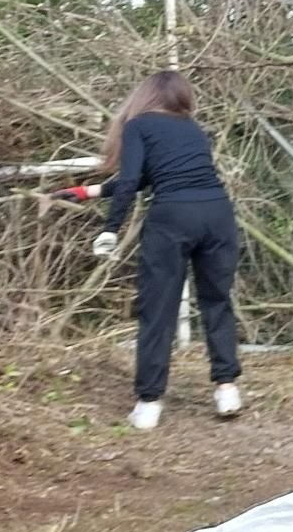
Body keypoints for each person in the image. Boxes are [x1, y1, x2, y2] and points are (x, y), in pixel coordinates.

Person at [64, 71, 246, 431]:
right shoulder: (193, 128)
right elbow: (152, 175)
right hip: (218, 214)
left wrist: (110, 229)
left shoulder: (138, 125)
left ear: (144, 95)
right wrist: (90, 192)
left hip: (172, 218)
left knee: (158, 307)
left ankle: (149, 403)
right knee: (216, 301)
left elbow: (133, 179)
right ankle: (227, 389)